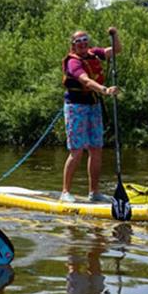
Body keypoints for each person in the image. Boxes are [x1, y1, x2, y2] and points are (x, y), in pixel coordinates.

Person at [60, 27, 122, 203]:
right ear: (73, 45)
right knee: (77, 151)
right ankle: (65, 192)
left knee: (96, 149)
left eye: (84, 39)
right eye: (78, 41)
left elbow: (116, 50)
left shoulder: (94, 53)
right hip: (75, 108)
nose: (82, 43)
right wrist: (105, 90)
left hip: (93, 105)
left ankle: (94, 192)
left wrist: (114, 35)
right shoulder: (73, 62)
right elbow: (86, 80)